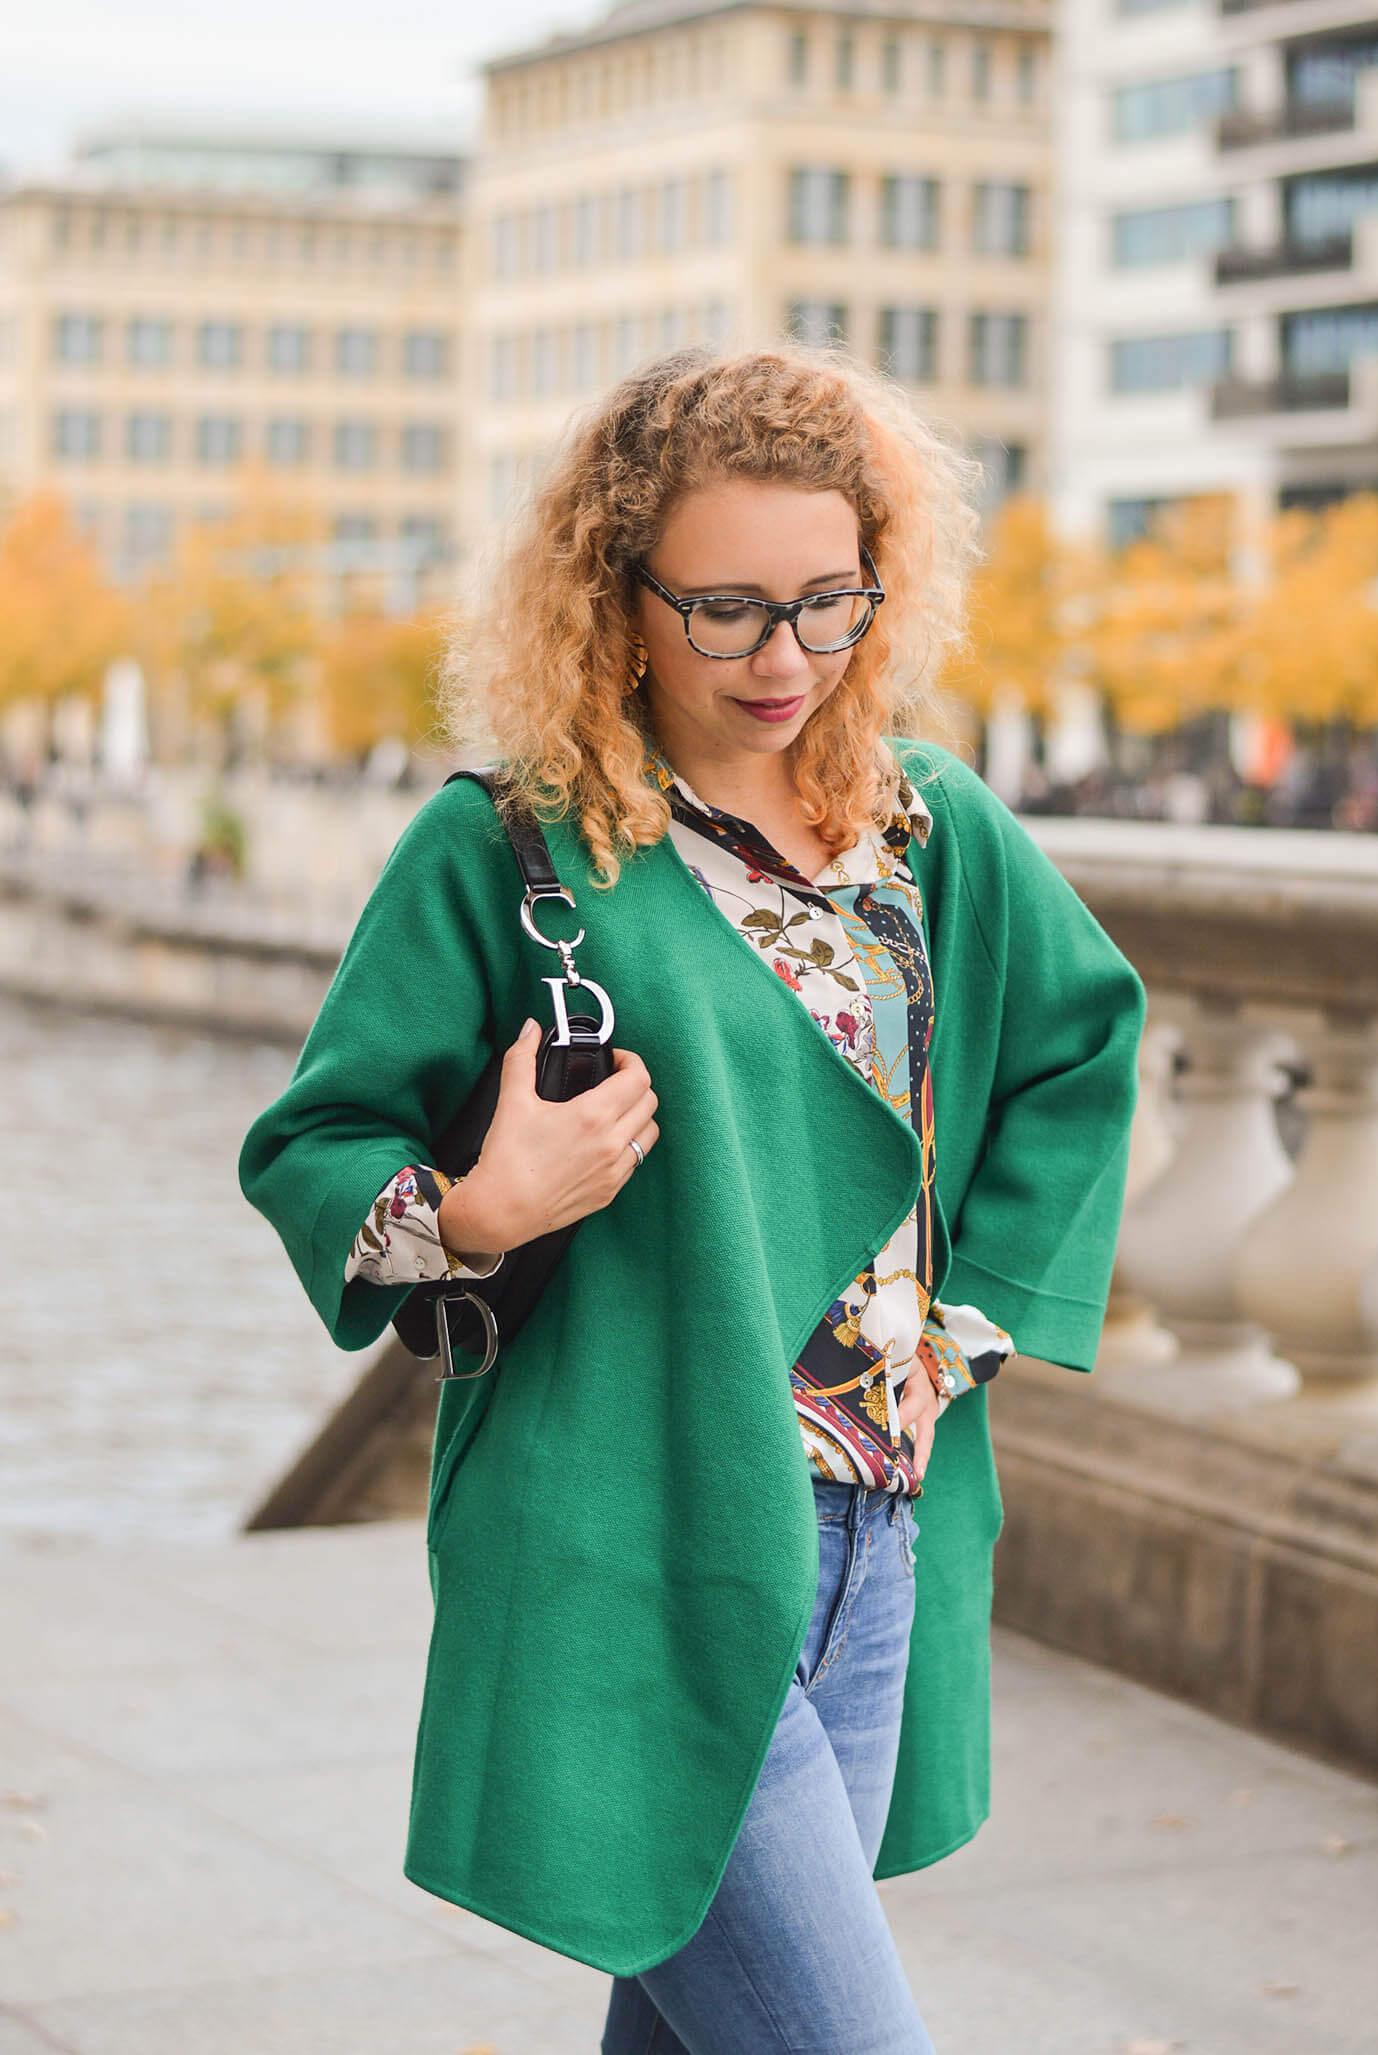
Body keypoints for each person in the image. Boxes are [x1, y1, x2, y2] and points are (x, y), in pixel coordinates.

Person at [239, 344, 1146, 2054]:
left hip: (885, 1527)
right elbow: (317, 1144)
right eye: (725, 609)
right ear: (617, 597)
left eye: (830, 601)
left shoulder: (924, 825)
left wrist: (969, 1333)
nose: (787, 656)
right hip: (632, 1539)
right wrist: (486, 1204)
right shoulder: (513, 848)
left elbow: (1082, 1050)